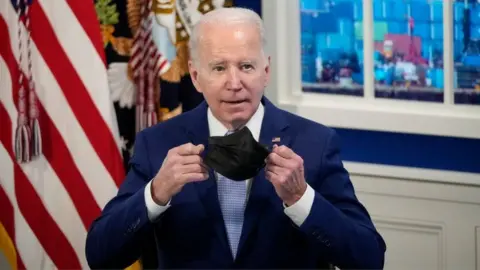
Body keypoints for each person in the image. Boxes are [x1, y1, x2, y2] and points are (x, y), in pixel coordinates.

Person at [85, 7, 386, 269]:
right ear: (195, 76)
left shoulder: (316, 143)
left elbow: (369, 258)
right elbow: (100, 255)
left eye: (246, 66)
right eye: (218, 68)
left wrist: (301, 199)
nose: (234, 83)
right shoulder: (158, 143)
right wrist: (156, 192)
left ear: (265, 71)